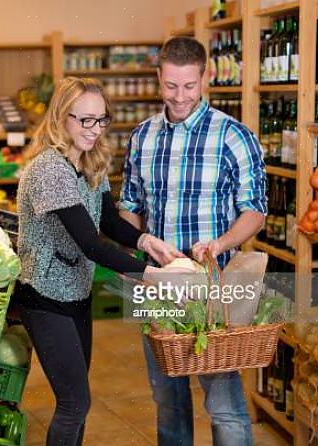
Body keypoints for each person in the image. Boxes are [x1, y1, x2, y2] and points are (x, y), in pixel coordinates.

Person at [14, 76, 193, 446]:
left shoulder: (89, 162)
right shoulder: (50, 169)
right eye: (85, 120)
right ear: (61, 117)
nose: (94, 130)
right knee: (74, 403)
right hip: (44, 297)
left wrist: (147, 241)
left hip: (76, 294)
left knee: (78, 402)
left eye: (101, 120)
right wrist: (150, 275)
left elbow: (108, 221)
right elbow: (90, 242)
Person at [119, 36, 267, 446]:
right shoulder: (142, 137)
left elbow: (255, 210)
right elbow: (129, 204)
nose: (179, 96)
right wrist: (142, 244)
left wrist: (220, 243)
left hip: (213, 284)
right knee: (168, 398)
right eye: (170, 86)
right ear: (158, 78)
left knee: (223, 405)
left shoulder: (233, 136)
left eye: (188, 86)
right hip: (158, 286)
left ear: (205, 78)